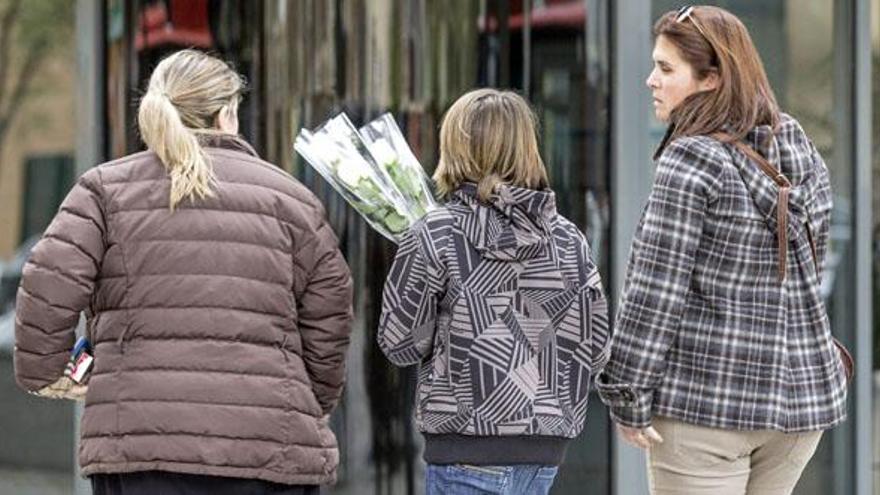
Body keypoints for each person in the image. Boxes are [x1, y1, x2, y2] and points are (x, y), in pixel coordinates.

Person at [14, 49, 353, 495]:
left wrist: (48, 371)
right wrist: (313, 402)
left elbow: (47, 280)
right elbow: (331, 313)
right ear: (227, 114)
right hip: (268, 449)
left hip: (140, 449)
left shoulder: (102, 191)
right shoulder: (291, 200)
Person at [595, 6, 848, 495]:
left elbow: (655, 291)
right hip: (798, 405)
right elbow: (808, 267)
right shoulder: (796, 145)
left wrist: (627, 393)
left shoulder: (691, 158)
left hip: (708, 406)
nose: (651, 80)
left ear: (711, 78)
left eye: (666, 69)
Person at [377, 88, 610, 495]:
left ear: (455, 147)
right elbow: (597, 349)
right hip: (545, 454)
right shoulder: (570, 239)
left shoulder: (437, 233)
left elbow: (399, 344)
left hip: (464, 446)